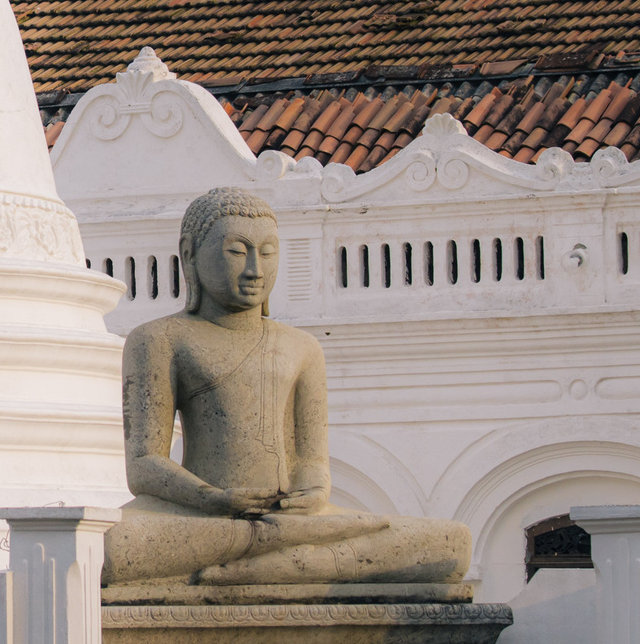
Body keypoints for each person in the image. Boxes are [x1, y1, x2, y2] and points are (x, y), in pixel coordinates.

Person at [102, 186, 468, 588]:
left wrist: (312, 490)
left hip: (292, 524)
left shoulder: (302, 348)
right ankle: (288, 564)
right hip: (204, 521)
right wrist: (211, 498)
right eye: (237, 251)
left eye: (268, 252)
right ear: (190, 254)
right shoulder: (159, 340)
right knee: (114, 547)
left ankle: (270, 566)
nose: (255, 269)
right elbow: (144, 467)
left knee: (451, 543)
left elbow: (311, 459)